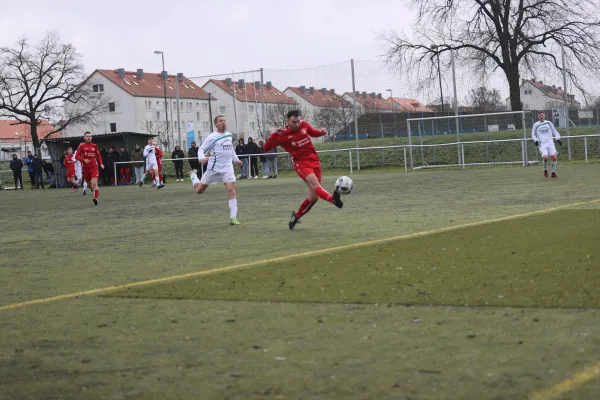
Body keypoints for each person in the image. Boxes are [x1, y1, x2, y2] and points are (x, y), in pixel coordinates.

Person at [264, 110, 343, 230]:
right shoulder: (282, 135)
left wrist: (322, 132)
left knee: (314, 198)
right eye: (294, 122)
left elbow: (313, 132)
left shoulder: (304, 125)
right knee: (314, 183)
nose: (296, 124)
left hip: (315, 161)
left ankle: (296, 216)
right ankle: (333, 200)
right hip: (301, 164)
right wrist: (275, 134)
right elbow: (266, 147)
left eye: (298, 121)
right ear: (288, 121)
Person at [188, 115, 243, 225]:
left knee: (231, 190)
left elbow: (231, 149)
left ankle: (233, 218)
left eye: (224, 120)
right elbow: (201, 149)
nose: (223, 122)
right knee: (199, 191)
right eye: (221, 121)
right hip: (214, 169)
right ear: (216, 124)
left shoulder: (229, 135)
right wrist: (202, 158)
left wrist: (236, 160)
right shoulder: (212, 137)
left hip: (227, 169)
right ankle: (193, 176)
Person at [75, 131, 105, 205]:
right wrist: (84, 160)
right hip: (85, 168)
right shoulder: (81, 146)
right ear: (84, 137)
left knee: (95, 183)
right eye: (87, 136)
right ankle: (91, 188)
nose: (89, 137)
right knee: (89, 185)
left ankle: (95, 198)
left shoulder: (94, 146)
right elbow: (76, 156)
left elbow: (98, 156)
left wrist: (101, 164)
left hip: (93, 166)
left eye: (90, 136)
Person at [532, 110, 562, 178]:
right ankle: (545, 170)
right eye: (540, 116)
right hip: (542, 144)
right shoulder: (536, 125)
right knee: (545, 157)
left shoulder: (548, 123)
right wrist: (535, 141)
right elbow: (533, 135)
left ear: (544, 116)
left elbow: (554, 131)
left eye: (542, 115)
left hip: (550, 143)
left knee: (554, 157)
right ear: (538, 117)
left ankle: (553, 173)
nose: (541, 117)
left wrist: (558, 138)